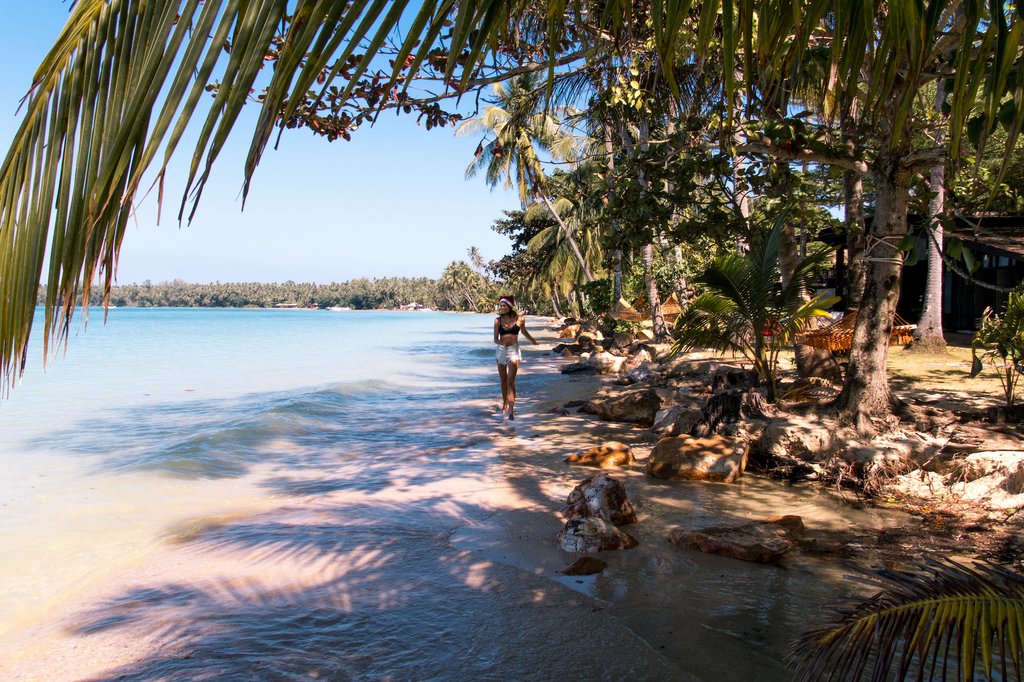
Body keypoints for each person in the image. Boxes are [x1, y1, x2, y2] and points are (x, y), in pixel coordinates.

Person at [494, 295, 538, 420]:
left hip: (513, 350)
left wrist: (533, 340)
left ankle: (512, 410)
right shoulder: (497, 321)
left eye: (503, 306)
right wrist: (500, 343)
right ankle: (504, 404)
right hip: (501, 351)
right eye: (500, 306)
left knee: (510, 381)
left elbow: (523, 331)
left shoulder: (520, 318)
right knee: (503, 380)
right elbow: (495, 338)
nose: (501, 308)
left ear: (509, 306)